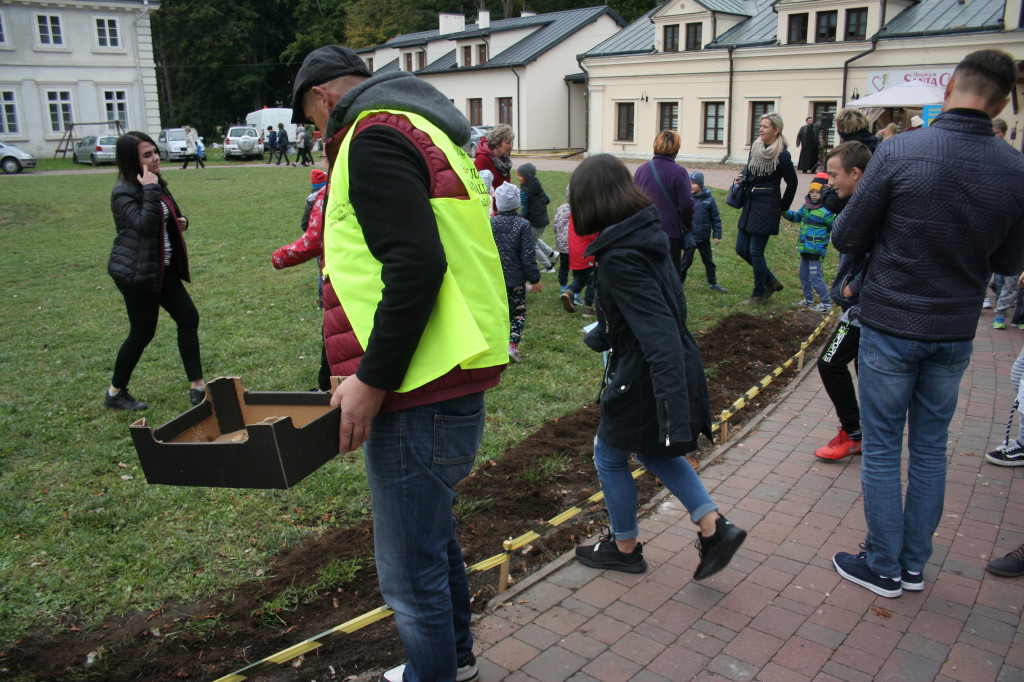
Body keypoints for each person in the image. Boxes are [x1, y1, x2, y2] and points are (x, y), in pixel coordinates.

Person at [292, 44, 509, 682]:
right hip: (446, 370)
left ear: (325, 98)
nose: (314, 133)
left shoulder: (370, 137)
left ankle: (434, 672)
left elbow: (415, 265)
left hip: (418, 385)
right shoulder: (417, 129)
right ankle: (455, 662)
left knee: (410, 572)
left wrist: (371, 378)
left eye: (310, 119)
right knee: (430, 539)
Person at [830, 49, 1024, 599]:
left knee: (887, 447)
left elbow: (847, 235)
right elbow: (1009, 262)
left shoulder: (900, 151)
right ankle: (912, 563)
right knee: (931, 448)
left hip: (892, 322)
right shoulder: (1014, 167)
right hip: (954, 330)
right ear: (1004, 101)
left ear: (949, 89)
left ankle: (886, 565)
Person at [569, 154, 747, 580]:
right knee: (650, 450)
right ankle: (713, 527)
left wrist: (672, 405)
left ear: (591, 201)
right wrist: (602, 334)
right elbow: (665, 307)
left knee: (608, 456)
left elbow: (659, 332)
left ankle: (625, 547)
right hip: (656, 362)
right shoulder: (644, 234)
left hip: (645, 372)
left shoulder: (620, 256)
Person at [105, 131, 207, 411]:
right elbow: (145, 225)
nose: (155, 157)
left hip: (162, 270)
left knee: (188, 318)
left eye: (155, 151)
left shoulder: (156, 184)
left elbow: (169, 215)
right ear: (132, 160)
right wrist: (150, 187)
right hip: (137, 275)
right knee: (141, 333)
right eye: (147, 154)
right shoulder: (123, 191)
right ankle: (115, 392)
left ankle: (197, 388)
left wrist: (182, 221)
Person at [814, 141, 873, 461]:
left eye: (834, 174)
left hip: (863, 307)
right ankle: (865, 434)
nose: (829, 181)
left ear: (856, 173)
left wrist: (851, 290)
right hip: (861, 305)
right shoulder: (858, 202)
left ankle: (854, 434)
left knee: (830, 362)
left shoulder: (872, 208)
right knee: (864, 369)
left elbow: (881, 254)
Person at [272, 169, 331, 390]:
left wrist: (278, 257)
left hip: (343, 280)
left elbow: (313, 239)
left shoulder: (329, 192)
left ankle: (327, 391)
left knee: (336, 341)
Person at [732, 112, 797, 305]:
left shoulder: (782, 155)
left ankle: (759, 294)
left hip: (767, 207)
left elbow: (792, 182)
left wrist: (782, 207)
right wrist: (741, 175)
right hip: (751, 204)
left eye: (766, 126)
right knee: (740, 248)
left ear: (777, 130)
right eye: (760, 125)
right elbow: (749, 168)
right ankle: (771, 281)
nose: (761, 129)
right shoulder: (756, 148)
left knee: (755, 251)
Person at [491, 182, 542, 363]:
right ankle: (512, 346)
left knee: (499, 312)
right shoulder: (523, 225)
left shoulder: (490, 223)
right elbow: (528, 255)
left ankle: (497, 344)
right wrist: (535, 279)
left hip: (494, 279)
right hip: (516, 281)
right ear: (517, 204)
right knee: (518, 313)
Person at [633, 130, 694, 274]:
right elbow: (686, 205)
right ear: (676, 148)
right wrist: (689, 225)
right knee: (669, 278)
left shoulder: (641, 170)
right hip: (669, 233)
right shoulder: (679, 172)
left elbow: (633, 201)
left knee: (647, 276)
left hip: (644, 230)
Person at [785, 171, 834, 313]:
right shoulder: (806, 207)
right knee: (803, 276)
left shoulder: (827, 212)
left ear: (823, 193)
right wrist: (784, 212)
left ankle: (826, 304)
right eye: (812, 191)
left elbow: (835, 226)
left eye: (817, 192)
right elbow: (796, 217)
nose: (814, 195)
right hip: (804, 248)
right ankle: (808, 300)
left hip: (815, 251)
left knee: (816, 278)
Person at [687, 171, 727, 292]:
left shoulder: (710, 201)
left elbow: (716, 219)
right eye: (689, 183)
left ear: (700, 184)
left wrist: (717, 235)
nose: (691, 185)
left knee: (709, 263)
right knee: (685, 263)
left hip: (704, 239)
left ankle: (713, 283)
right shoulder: (687, 200)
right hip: (691, 238)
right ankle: (679, 282)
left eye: (694, 183)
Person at [517, 162, 557, 272]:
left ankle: (548, 267)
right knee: (533, 239)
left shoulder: (524, 192)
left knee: (531, 246)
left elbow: (524, 211)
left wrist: (518, 218)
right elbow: (547, 200)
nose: (517, 177)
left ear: (526, 177)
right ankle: (552, 254)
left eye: (519, 175)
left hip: (534, 222)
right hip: (543, 220)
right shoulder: (537, 185)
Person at [559, 211, 597, 316]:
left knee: (580, 277)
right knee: (592, 279)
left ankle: (569, 292)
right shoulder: (589, 213)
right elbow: (593, 234)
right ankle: (588, 307)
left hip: (575, 250)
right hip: (588, 251)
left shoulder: (574, 213)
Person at [474, 124, 514, 207]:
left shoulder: (504, 160)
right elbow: (476, 188)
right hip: (490, 210)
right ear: (497, 144)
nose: (511, 146)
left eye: (511, 143)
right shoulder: (482, 160)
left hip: (504, 209)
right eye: (508, 143)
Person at [552, 184, 572, 294]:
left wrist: (558, 236)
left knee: (564, 266)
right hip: (576, 244)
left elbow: (555, 224)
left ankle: (563, 287)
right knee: (578, 268)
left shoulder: (561, 208)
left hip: (562, 244)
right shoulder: (582, 209)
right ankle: (575, 289)